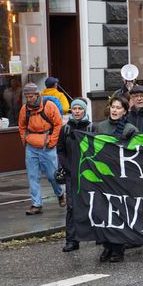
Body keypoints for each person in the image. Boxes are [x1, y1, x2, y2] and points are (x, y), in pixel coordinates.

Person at [91, 96, 138, 262]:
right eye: (113, 107)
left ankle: (118, 248)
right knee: (102, 212)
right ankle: (107, 246)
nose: (115, 110)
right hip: (103, 176)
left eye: (118, 108)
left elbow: (135, 153)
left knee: (117, 212)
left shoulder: (129, 129)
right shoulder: (100, 126)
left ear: (125, 110)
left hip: (120, 177)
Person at [18, 82, 65, 216]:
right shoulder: (24, 109)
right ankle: (36, 204)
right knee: (33, 176)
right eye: (26, 96)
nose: (29, 99)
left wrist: (52, 142)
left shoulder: (49, 106)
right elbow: (21, 126)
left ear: (37, 95)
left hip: (47, 145)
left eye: (31, 96)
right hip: (31, 146)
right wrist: (25, 142)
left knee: (52, 175)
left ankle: (60, 194)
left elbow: (58, 124)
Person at [57, 99, 91, 252]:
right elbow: (60, 150)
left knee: (92, 204)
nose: (77, 111)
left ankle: (97, 236)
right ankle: (72, 240)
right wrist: (67, 167)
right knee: (71, 207)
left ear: (84, 110)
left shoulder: (91, 128)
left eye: (80, 108)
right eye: (74, 108)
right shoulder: (65, 129)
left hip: (89, 173)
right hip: (72, 174)